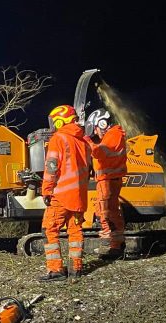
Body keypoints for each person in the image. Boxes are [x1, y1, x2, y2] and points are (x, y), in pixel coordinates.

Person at [39, 104, 92, 280]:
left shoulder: (59, 138)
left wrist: (46, 190)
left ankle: (56, 270)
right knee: (75, 232)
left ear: (60, 120)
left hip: (61, 194)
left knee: (49, 230)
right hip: (79, 196)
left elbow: (52, 167)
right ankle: (76, 270)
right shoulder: (84, 142)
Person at [85, 108, 127, 259]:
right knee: (108, 210)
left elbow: (100, 152)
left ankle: (113, 245)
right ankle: (115, 245)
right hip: (107, 179)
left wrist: (86, 140)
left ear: (102, 123)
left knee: (106, 212)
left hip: (108, 180)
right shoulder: (112, 136)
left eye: (96, 129)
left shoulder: (114, 135)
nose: (96, 133)